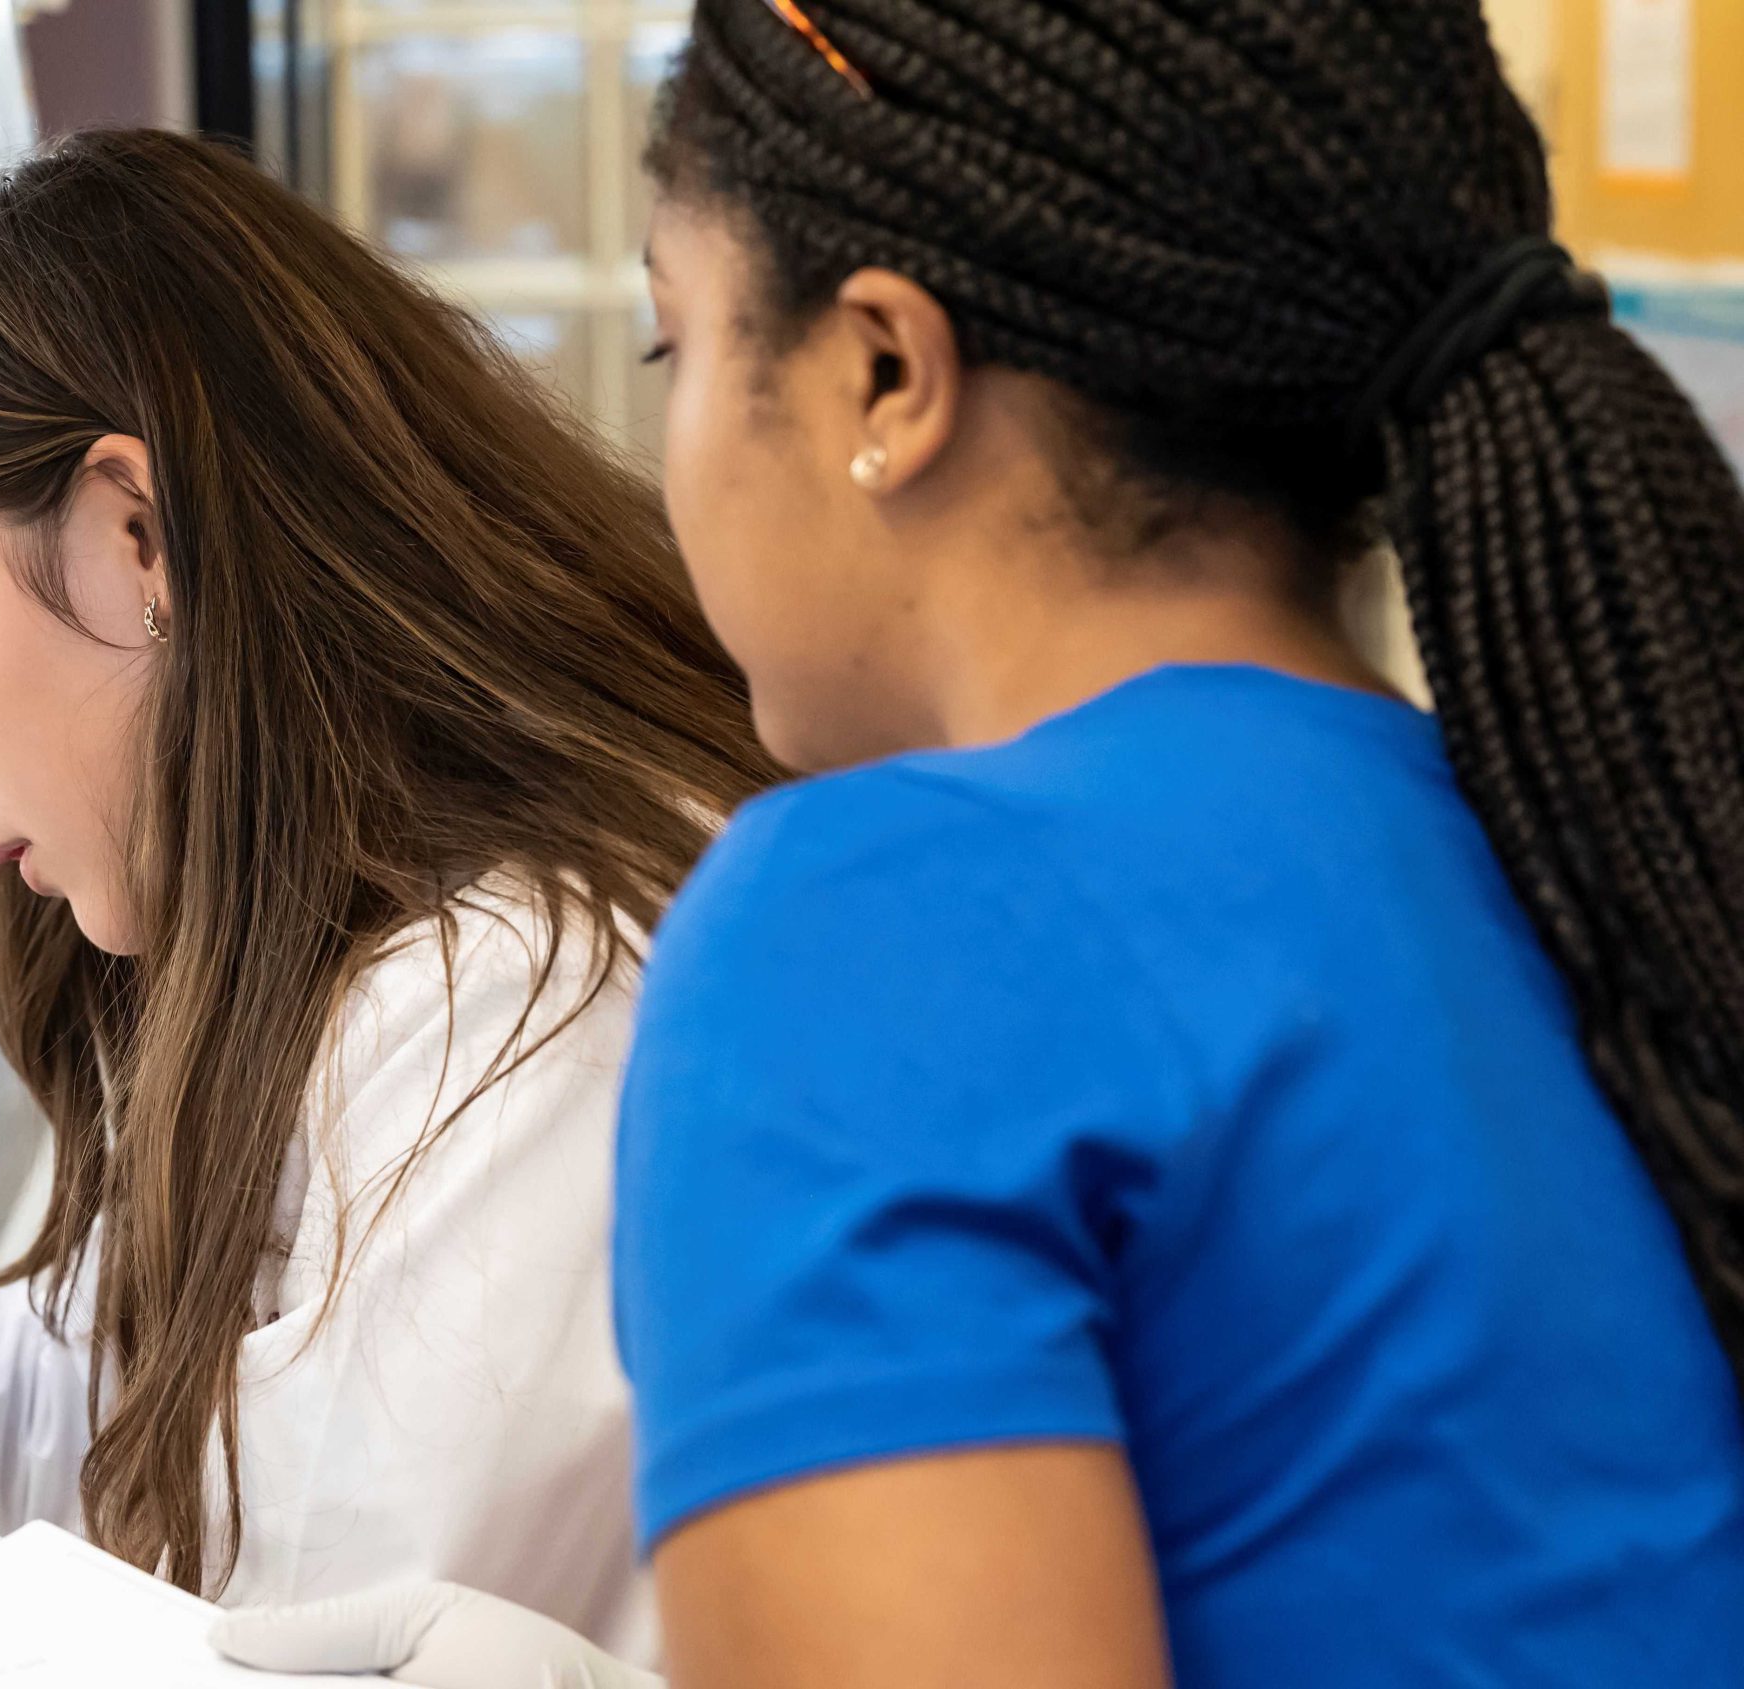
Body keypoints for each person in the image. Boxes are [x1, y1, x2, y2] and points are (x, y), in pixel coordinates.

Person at [215, 1, 1744, 1684]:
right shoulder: (1585, 849)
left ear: (885, 371)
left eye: (675, 344)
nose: (670, 443)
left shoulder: (869, 929)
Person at [0, 127, 775, 1670]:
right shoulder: (340, 949)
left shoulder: (533, 1009)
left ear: (136, 539)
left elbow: (259, 1658)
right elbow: (89, 1426)